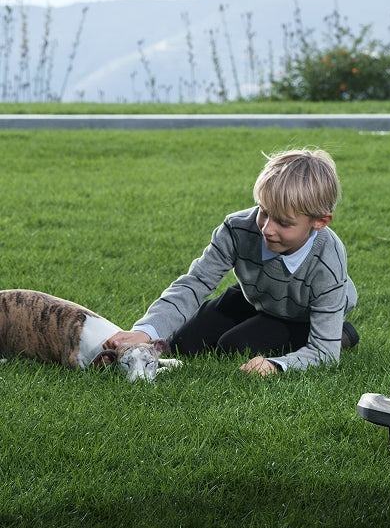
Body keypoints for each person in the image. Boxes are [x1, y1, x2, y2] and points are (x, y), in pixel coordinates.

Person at [106, 147, 358, 377]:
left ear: (320, 222)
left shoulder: (329, 259)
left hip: (302, 311)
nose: (267, 229)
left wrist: (277, 364)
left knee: (234, 345)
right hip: (257, 296)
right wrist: (146, 332)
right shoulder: (236, 228)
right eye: (264, 212)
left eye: (283, 222)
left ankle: (342, 333)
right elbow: (195, 283)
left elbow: (325, 353)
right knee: (183, 343)